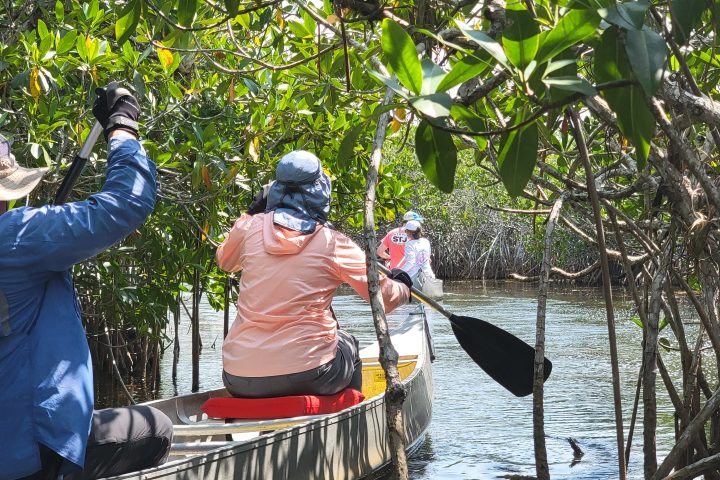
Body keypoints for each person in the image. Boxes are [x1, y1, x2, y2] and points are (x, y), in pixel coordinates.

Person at [0, 83, 172, 480]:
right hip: (31, 452)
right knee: (158, 428)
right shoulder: (16, 237)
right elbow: (127, 202)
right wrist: (122, 128)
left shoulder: (22, 242)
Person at [216, 150, 412, 399]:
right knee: (348, 344)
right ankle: (350, 420)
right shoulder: (332, 242)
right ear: (320, 191)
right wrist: (403, 285)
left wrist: (252, 213)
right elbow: (386, 298)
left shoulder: (248, 228)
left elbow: (225, 260)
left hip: (238, 376)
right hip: (311, 374)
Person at [398, 220, 437, 288]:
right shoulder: (426, 241)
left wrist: (399, 272)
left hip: (415, 279)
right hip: (430, 276)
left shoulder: (409, 244)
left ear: (410, 232)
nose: (405, 233)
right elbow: (428, 259)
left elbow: (410, 263)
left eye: (406, 231)